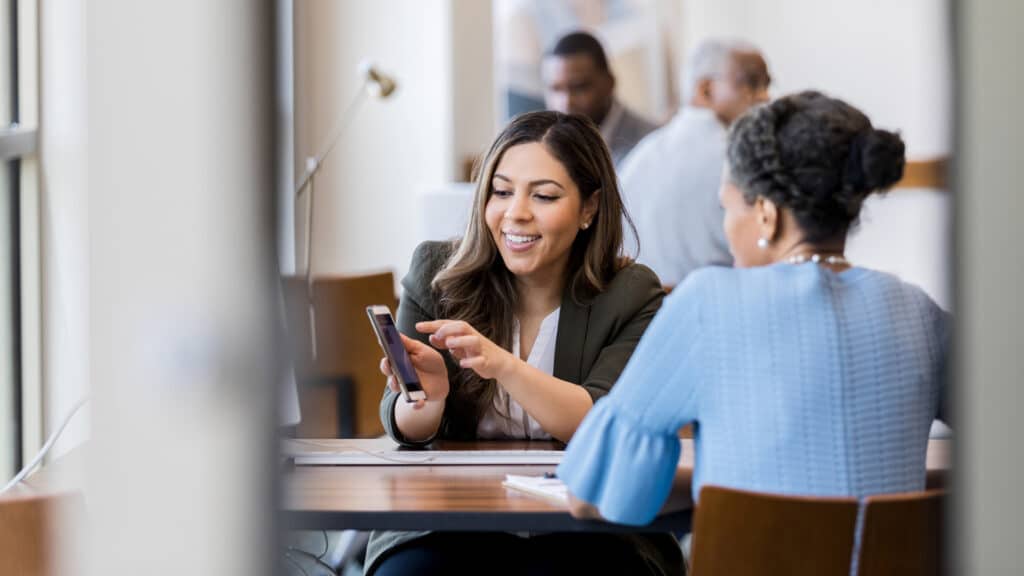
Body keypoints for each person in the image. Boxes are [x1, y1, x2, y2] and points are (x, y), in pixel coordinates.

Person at [557, 91, 950, 527]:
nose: (726, 227)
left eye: (727, 207)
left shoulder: (708, 302)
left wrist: (711, 483)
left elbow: (593, 495)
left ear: (766, 214)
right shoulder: (919, 313)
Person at [364, 111, 684, 575]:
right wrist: (425, 400)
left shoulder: (630, 292)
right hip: (452, 522)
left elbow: (602, 423)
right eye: (501, 191)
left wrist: (503, 365)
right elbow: (404, 422)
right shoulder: (437, 272)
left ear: (589, 208)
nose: (516, 212)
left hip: (588, 526)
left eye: (545, 195)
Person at [620, 39, 771, 288]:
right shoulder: (741, 159)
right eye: (751, 84)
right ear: (706, 90)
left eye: (767, 84)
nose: (765, 97)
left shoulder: (640, 158)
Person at [541, 31, 658, 168]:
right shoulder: (544, 146)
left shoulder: (649, 146)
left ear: (609, 83)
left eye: (579, 87)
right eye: (556, 89)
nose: (566, 102)